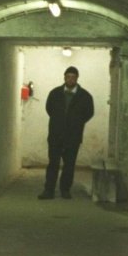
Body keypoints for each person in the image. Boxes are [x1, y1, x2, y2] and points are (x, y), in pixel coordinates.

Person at [38, 66, 94, 200]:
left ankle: (65, 190)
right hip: (55, 135)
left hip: (73, 136)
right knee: (53, 163)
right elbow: (49, 109)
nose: (70, 79)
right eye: (68, 77)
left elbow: (89, 113)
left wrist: (76, 123)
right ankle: (49, 190)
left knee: (69, 165)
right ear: (64, 77)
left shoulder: (85, 96)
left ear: (77, 79)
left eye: (73, 77)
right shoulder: (55, 93)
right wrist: (59, 122)